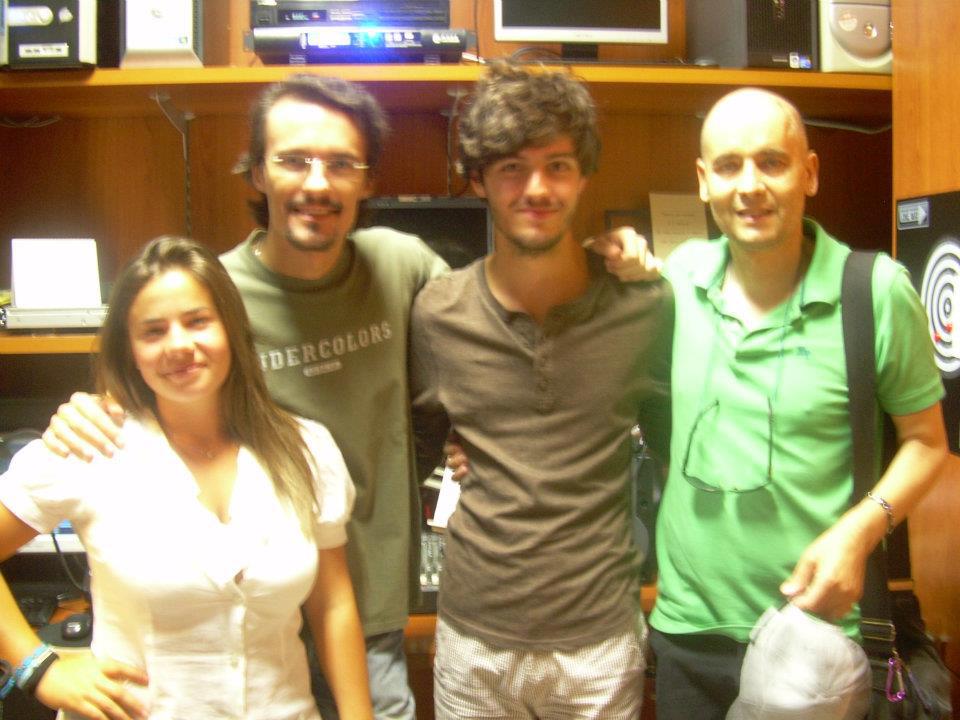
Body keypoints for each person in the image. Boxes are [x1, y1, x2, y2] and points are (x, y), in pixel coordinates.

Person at [38, 71, 656, 720]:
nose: (317, 183)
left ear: (367, 181)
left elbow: (504, 314)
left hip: (365, 615)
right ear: (257, 172)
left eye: (340, 163)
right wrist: (85, 410)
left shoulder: (402, 266)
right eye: (293, 160)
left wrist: (611, 261)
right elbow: (135, 390)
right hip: (232, 621)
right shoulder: (210, 299)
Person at [647, 87, 949, 718]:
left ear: (809, 173)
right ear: (703, 182)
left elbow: (927, 444)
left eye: (771, 162)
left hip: (821, 640)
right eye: (728, 166)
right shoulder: (678, 279)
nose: (749, 186)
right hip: (689, 634)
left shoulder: (874, 290)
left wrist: (860, 531)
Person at [0, 236, 372, 720]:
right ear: (130, 351)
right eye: (153, 331)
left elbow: (332, 603)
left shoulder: (307, 449)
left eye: (197, 321)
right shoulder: (91, 446)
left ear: (231, 329)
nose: (179, 345)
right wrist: (38, 668)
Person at [409, 62, 672, 719]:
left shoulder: (643, 308)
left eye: (557, 165)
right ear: (478, 180)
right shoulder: (438, 314)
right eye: (512, 168)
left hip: (600, 646)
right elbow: (416, 453)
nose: (537, 188)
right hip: (474, 644)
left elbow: (678, 454)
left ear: (584, 174)